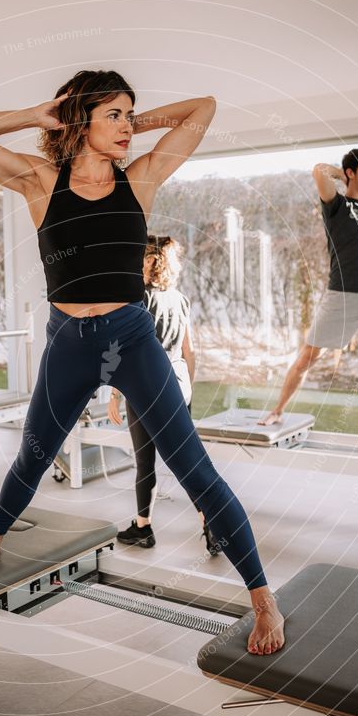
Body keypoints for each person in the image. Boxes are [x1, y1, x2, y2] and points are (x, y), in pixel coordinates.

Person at [0, 69, 284, 656]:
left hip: (132, 337)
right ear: (80, 121)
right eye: (115, 115)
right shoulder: (39, 181)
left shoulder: (143, 178)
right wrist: (35, 116)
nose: (128, 126)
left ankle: (261, 596)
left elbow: (202, 106)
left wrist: (132, 124)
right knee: (33, 453)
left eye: (132, 114)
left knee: (195, 469)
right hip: (68, 342)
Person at [108, 234, 218, 555]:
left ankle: (143, 528)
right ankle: (208, 519)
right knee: (186, 462)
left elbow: (124, 351)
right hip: (178, 385)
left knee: (146, 461)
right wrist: (188, 389)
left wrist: (115, 394)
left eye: (139, 256)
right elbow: (190, 351)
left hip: (145, 388)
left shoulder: (137, 300)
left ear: (151, 262)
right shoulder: (180, 299)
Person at [261, 148, 358, 425]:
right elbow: (319, 170)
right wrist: (346, 179)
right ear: (351, 172)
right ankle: (277, 410)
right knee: (308, 358)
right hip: (342, 298)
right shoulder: (336, 207)